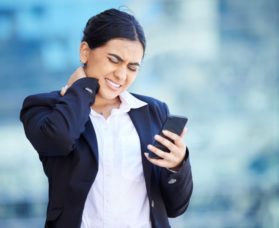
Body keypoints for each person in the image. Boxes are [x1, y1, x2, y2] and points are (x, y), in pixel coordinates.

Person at [20, 8, 193, 228]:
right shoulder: (45, 108)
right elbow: (60, 139)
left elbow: (176, 207)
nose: (121, 75)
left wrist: (177, 166)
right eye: (114, 60)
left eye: (132, 67)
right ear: (85, 51)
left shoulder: (153, 111)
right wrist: (81, 88)